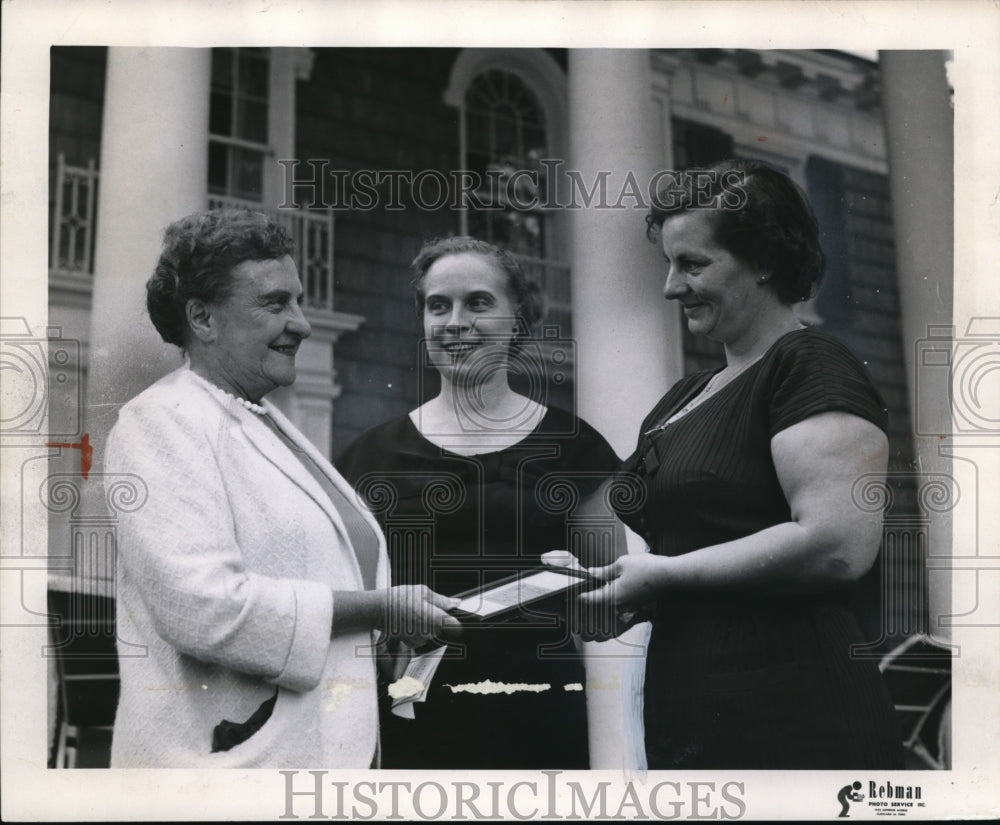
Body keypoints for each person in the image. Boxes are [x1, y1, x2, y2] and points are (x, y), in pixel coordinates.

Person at [104, 209, 459, 767]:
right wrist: (380, 610)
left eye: (298, 300)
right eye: (275, 304)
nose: (303, 323)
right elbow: (202, 607)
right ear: (202, 317)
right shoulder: (160, 420)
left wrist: (388, 630)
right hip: (227, 768)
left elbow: (318, 576)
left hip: (321, 756)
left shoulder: (266, 421)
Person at [580, 159, 905, 769]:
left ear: (763, 261)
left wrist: (663, 578)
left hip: (794, 712)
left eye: (693, 264)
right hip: (693, 706)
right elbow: (704, 551)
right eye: (669, 264)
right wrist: (616, 592)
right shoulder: (683, 398)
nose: (671, 287)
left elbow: (837, 544)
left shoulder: (810, 366)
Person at [337, 237, 624, 769]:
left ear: (518, 318)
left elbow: (610, 615)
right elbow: (351, 611)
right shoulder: (368, 457)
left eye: (479, 302)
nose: (455, 321)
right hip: (413, 717)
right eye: (437, 305)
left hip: (545, 717)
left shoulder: (577, 448)